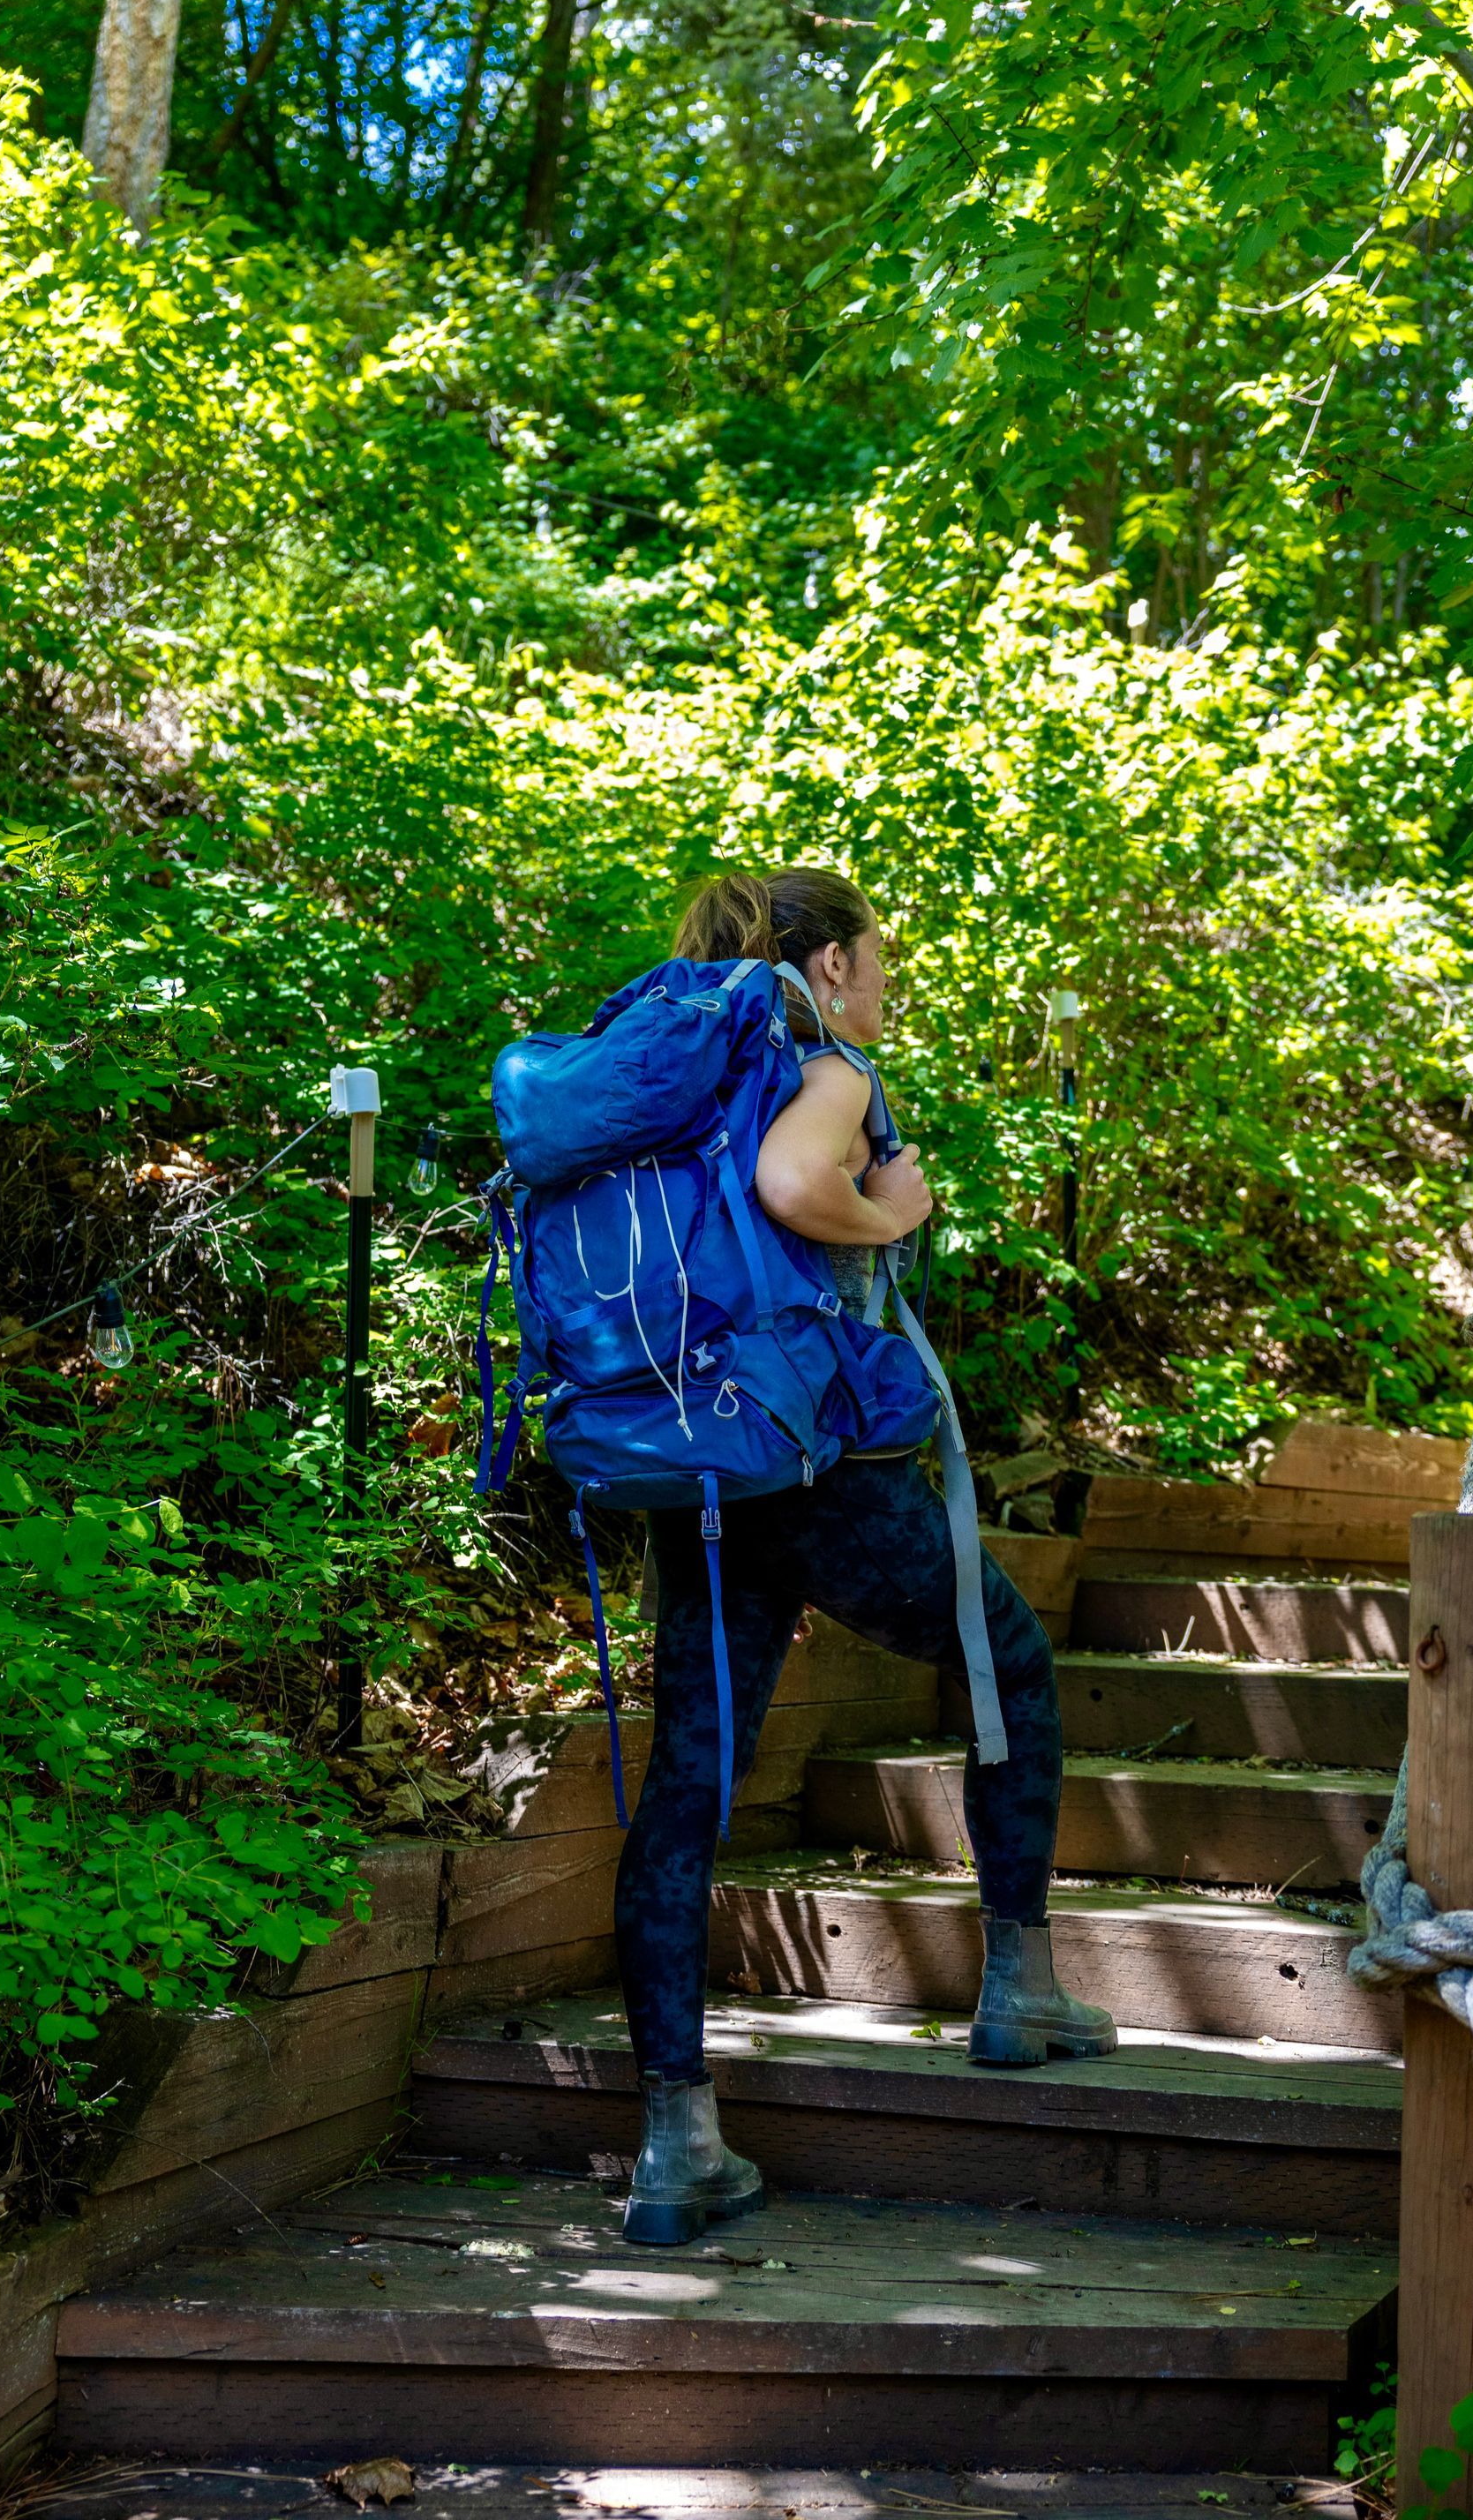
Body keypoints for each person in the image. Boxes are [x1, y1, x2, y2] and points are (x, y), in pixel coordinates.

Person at [615, 866, 1114, 2246]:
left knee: (689, 1786)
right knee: (1009, 1657)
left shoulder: (677, 1078)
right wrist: (892, 1212)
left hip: (698, 1469)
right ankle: (1018, 1993)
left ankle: (676, 2145)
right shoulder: (815, 1065)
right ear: (825, 964)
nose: (888, 983)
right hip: (819, 1464)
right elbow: (794, 1182)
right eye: (878, 958)